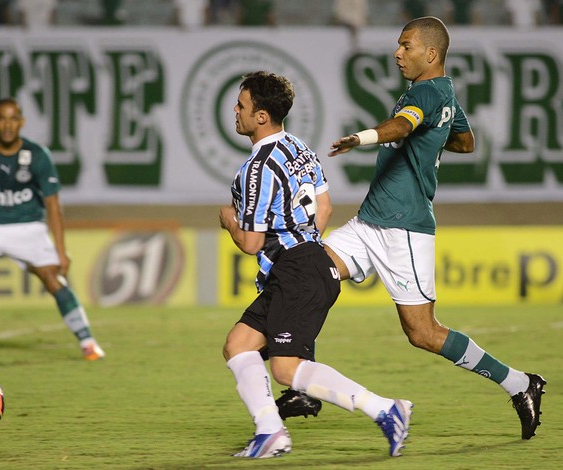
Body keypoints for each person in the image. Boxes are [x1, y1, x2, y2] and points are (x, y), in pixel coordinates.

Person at [280, 16, 546, 440]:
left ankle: (520, 383)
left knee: (423, 333)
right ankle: (300, 383)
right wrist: (435, 131)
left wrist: (363, 138)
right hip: (369, 223)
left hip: (403, 229)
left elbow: (403, 126)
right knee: (308, 274)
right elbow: (466, 141)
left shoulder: (425, 91)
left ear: (431, 53)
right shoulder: (443, 92)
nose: (397, 53)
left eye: (405, 46)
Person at [219, 71, 413, 459]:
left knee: (286, 370)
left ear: (261, 116)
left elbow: (251, 242)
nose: (235, 111)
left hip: (297, 272)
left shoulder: (257, 168)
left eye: (241, 105)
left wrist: (228, 221)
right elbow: (324, 206)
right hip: (309, 262)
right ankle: (271, 431)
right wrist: (305, 246)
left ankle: (385, 409)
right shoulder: (298, 148)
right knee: (238, 345)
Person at [0, 98, 105, 361]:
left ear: (22, 121)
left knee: (53, 278)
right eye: (3, 119)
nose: (8, 125)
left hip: (28, 228)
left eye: (13, 119)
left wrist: (62, 252)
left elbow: (53, 205)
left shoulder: (37, 156)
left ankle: (88, 342)